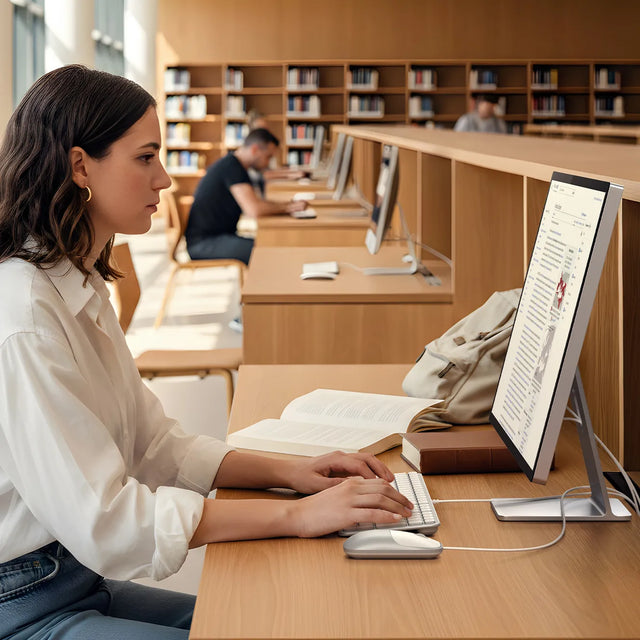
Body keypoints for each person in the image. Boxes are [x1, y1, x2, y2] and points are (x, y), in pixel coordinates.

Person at [0, 65, 414, 639]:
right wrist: (299, 517)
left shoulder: (78, 283)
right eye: (146, 158)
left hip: (69, 575)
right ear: (80, 167)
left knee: (270, 623)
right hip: (23, 602)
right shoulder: (24, 317)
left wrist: (292, 473)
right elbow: (108, 521)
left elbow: (154, 444)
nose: (165, 179)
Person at [185, 128, 307, 267]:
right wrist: (288, 207)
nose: (268, 163)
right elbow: (254, 209)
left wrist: (285, 206)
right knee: (265, 252)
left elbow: (255, 203)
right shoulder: (232, 167)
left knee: (269, 244)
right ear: (255, 149)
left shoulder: (234, 164)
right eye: (268, 157)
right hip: (204, 244)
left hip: (216, 238)